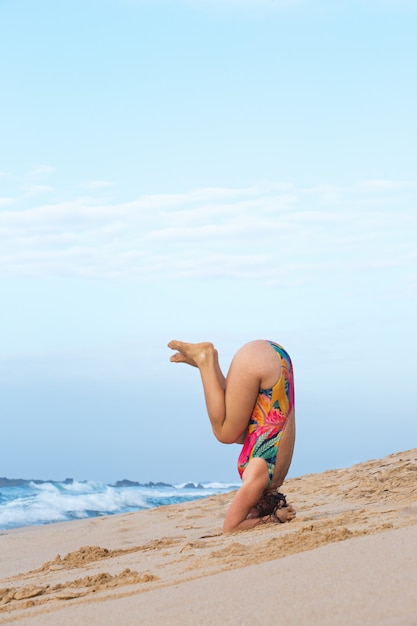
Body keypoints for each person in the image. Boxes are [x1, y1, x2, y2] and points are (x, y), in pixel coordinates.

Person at [168, 339, 296, 533]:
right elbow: (231, 526)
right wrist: (274, 519)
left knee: (236, 434)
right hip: (260, 362)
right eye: (251, 513)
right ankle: (205, 359)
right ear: (260, 504)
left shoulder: (275, 473)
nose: (247, 514)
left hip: (275, 361)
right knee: (223, 433)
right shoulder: (260, 479)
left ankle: (208, 366)